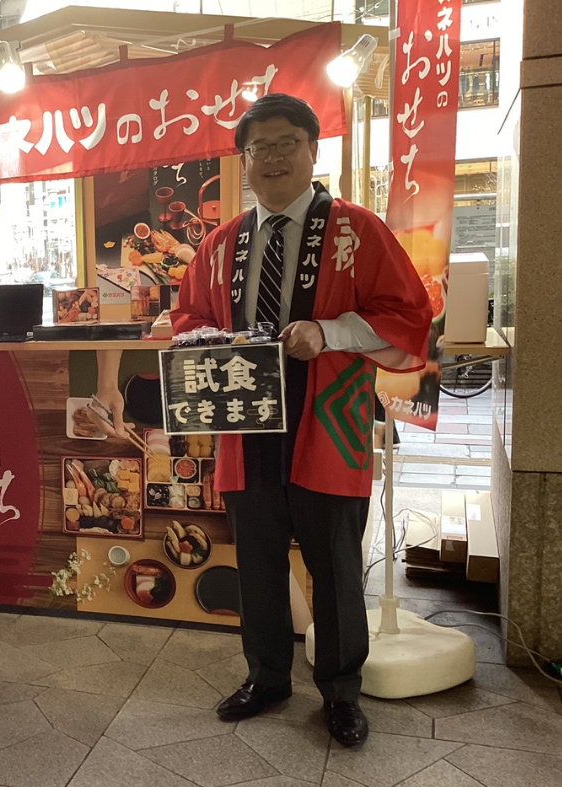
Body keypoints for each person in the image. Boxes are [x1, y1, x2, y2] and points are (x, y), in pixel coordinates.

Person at [171, 95, 432, 747]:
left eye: (287, 142)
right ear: (244, 161)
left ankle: (341, 692)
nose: (274, 158)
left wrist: (330, 331)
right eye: (259, 148)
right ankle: (268, 677)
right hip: (247, 430)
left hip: (328, 429)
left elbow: (408, 314)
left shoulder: (356, 229)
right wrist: (202, 339)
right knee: (257, 564)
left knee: (336, 568)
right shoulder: (221, 244)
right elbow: (188, 318)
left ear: (314, 149)